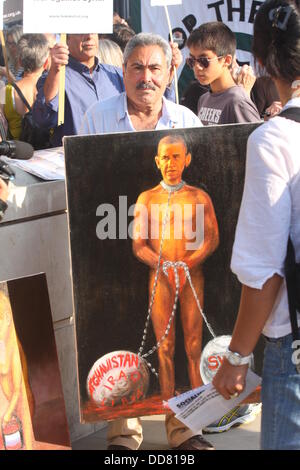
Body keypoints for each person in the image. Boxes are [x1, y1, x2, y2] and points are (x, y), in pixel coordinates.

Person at [80, 32, 220, 451]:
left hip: (181, 263)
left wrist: (185, 257)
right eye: (137, 68)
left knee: (189, 344)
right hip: (109, 252)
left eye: (155, 68)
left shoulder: (187, 122)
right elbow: (84, 188)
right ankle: (124, 434)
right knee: (127, 338)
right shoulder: (96, 118)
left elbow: (206, 220)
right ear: (123, 72)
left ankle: (186, 430)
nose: (146, 77)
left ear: (169, 71)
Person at [213, 0, 300, 450]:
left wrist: (236, 357)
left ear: (260, 61)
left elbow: (265, 272)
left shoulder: (274, 140)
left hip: (295, 347)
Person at [132, 134, 219, 400]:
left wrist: (189, 263)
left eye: (176, 157)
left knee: (194, 344)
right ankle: (169, 402)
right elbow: (139, 245)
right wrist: (162, 265)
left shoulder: (199, 197)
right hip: (161, 279)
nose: (171, 163)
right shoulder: (146, 198)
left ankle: (199, 400)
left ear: (187, 160)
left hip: (193, 277)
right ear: (157, 162)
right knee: (164, 345)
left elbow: (212, 239)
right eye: (166, 158)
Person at [33, 34, 181, 147]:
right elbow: (43, 119)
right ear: (67, 38)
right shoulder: (56, 77)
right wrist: (56, 70)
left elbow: (154, 106)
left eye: (93, 31)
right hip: (80, 164)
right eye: (81, 31)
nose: (89, 36)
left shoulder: (116, 74)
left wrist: (169, 73)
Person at [186, 22, 260, 125]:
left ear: (227, 60)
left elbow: (255, 140)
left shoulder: (238, 101)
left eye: (204, 60)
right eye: (192, 60)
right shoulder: (203, 99)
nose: (197, 67)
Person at [0, 290, 34, 449]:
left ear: (7, 318)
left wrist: (8, 414)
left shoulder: (14, 348)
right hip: (8, 407)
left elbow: (18, 390)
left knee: (24, 444)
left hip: (20, 406)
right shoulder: (2, 344)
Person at [2, 34, 50, 140]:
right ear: (46, 62)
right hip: (51, 151)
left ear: (20, 61)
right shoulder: (53, 88)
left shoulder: (4, 92)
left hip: (19, 153)